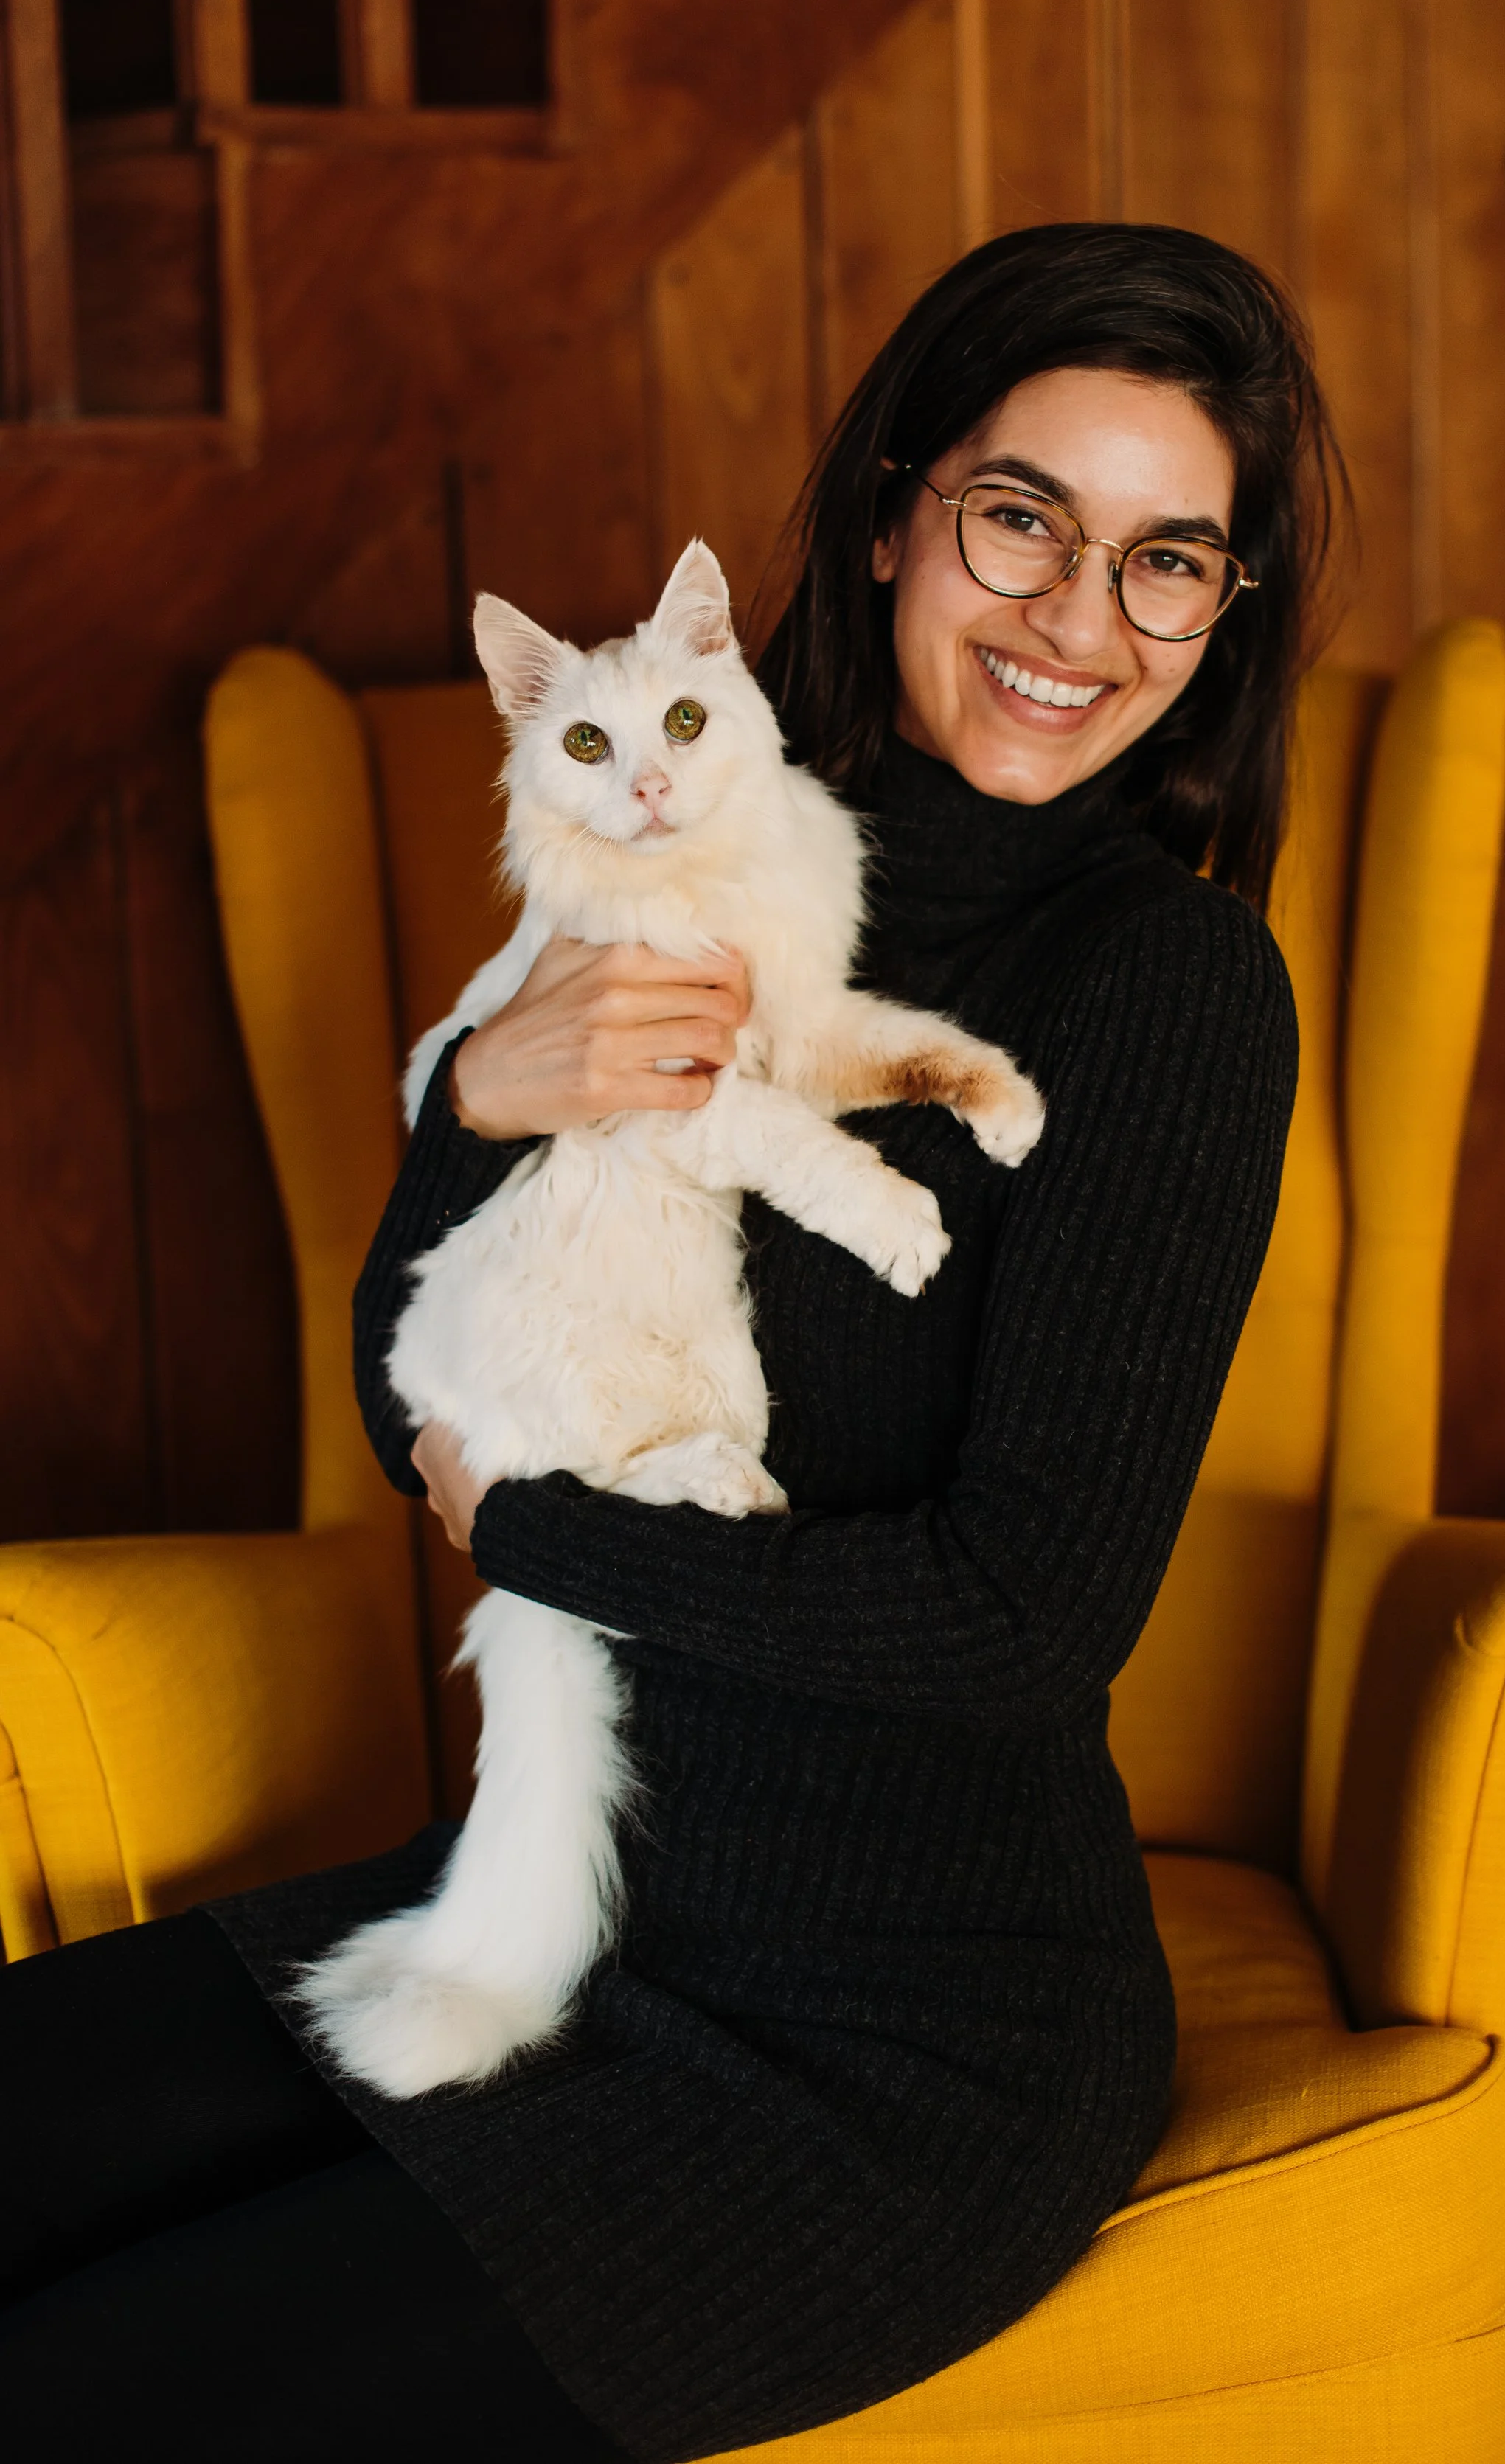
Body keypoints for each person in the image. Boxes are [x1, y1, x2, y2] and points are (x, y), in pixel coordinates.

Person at [0, 223, 1330, 2459]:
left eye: (1166, 562)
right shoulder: (670, 864)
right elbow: (421, 1407)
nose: (1078, 625)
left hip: (907, 2038)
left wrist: (546, 1531)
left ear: (1222, 611)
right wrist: (470, 1106)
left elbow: (1022, 1616)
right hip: (579, 1893)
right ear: (900, 508)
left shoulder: (1168, 992)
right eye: (1022, 520)